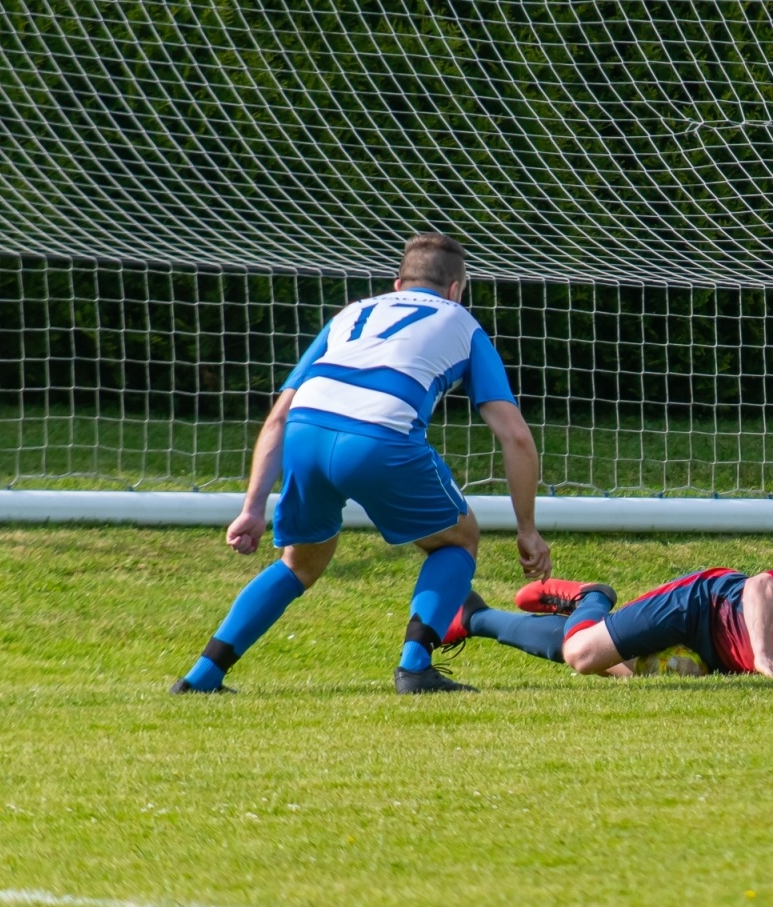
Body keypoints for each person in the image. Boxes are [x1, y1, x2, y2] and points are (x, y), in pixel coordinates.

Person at [171, 232, 552, 696]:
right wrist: (527, 528)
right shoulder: (462, 322)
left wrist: (252, 507)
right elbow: (514, 434)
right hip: (379, 438)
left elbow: (278, 416)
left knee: (300, 563)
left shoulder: (350, 314)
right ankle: (415, 669)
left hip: (306, 435)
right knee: (459, 538)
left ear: (398, 283)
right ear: (455, 289)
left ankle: (201, 677)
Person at [441, 544, 773, 677]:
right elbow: (757, 589)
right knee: (584, 654)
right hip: (698, 607)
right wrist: (764, 654)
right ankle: (592, 596)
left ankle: (477, 618)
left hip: (712, 659)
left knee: (615, 666)